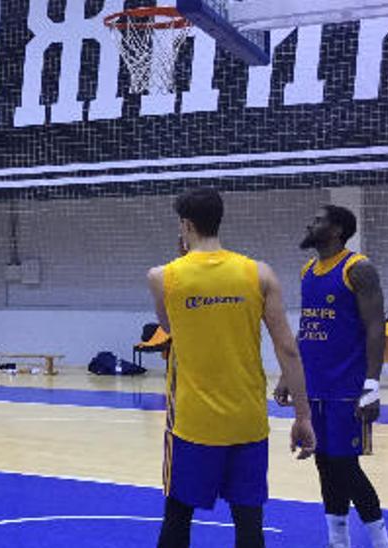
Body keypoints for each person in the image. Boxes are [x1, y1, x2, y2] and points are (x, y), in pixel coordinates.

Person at [148, 188, 315, 548]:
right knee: (249, 521)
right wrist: (303, 416)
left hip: (193, 423)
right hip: (248, 420)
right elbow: (288, 349)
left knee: (177, 516)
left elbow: (172, 327)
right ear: (219, 220)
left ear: (186, 225)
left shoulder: (162, 277)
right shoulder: (259, 273)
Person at [293, 205, 388, 548]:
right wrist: (289, 375)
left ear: (336, 230)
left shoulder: (358, 268)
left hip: (347, 389)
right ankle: (339, 539)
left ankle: (380, 540)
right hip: (315, 387)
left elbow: (376, 328)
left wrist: (371, 385)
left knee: (346, 467)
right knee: (324, 463)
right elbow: (308, 327)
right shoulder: (308, 270)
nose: (310, 222)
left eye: (318, 219)